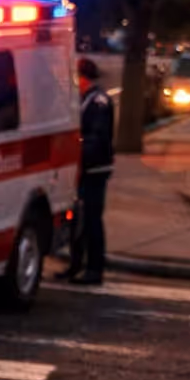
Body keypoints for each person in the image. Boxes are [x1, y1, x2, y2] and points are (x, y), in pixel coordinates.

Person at [66, 57, 113, 285]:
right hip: (82, 169)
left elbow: (97, 138)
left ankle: (95, 268)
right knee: (77, 220)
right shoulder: (84, 99)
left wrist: (77, 153)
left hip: (95, 169)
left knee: (92, 219)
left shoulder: (98, 102)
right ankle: (75, 265)